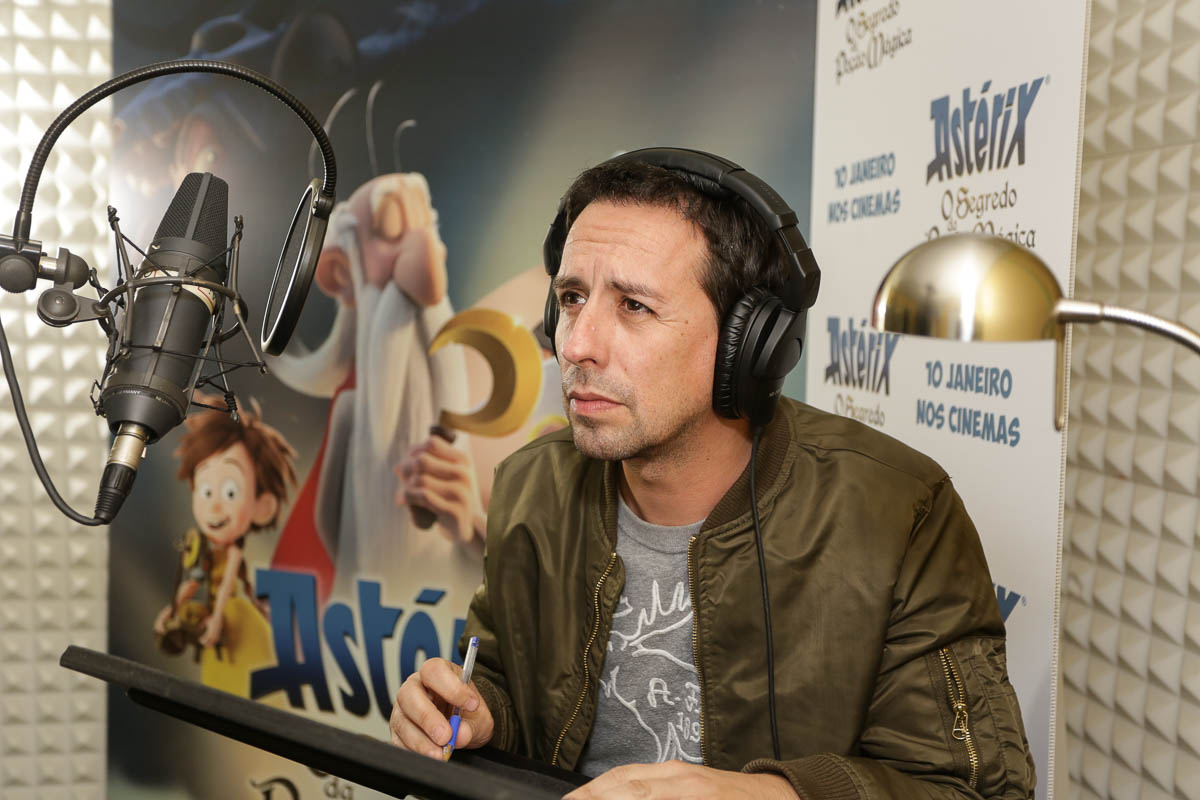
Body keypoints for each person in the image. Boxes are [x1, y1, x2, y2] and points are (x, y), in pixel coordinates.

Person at [390, 151, 1036, 799]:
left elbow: (974, 790)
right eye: (572, 298)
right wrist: (476, 716)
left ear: (747, 344)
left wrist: (770, 796)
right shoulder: (532, 486)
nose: (577, 344)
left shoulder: (900, 513)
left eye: (634, 306)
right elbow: (507, 683)